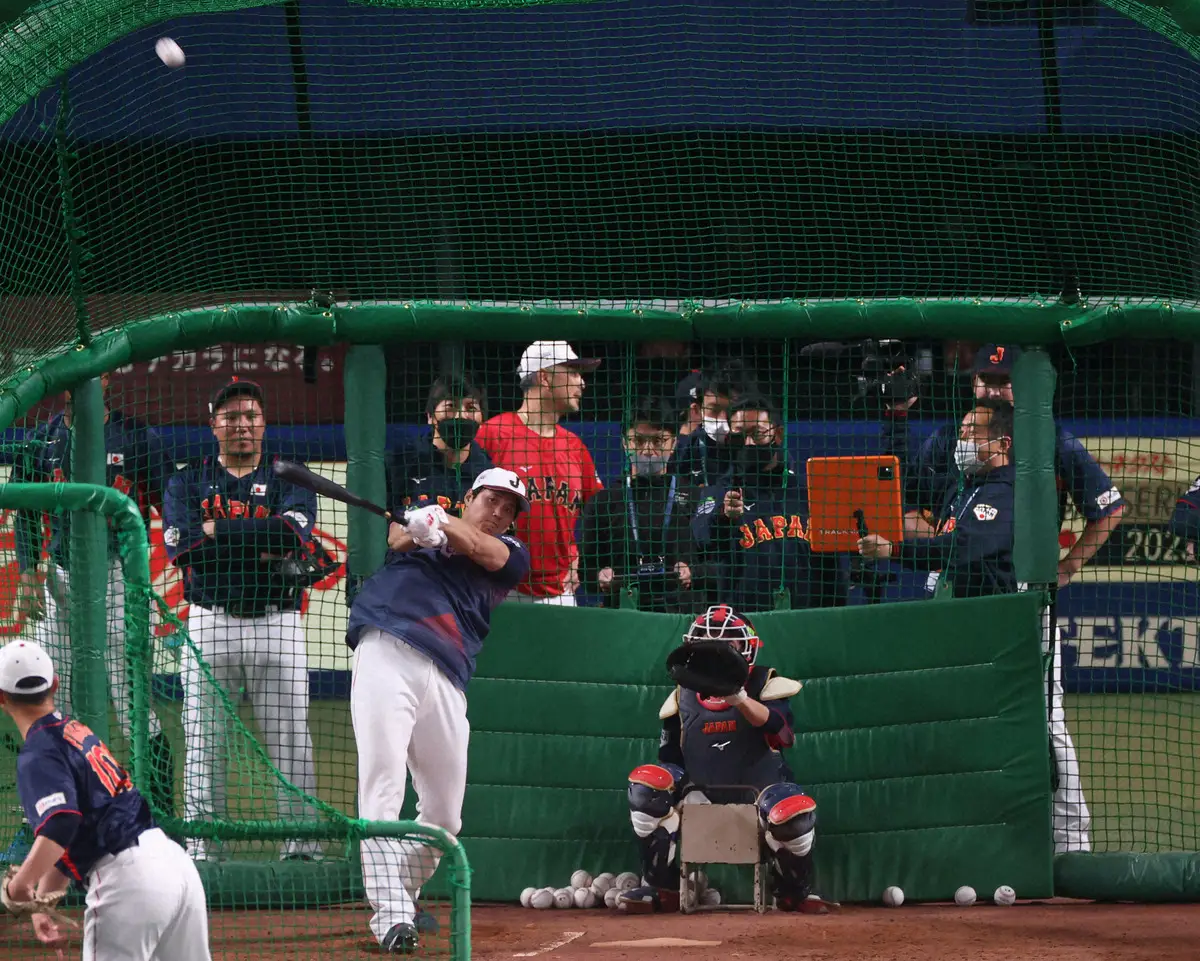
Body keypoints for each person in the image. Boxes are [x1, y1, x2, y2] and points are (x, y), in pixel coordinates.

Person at [860, 403, 1092, 852]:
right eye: (963, 430)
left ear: (1002, 444)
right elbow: (933, 527)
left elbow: (963, 548)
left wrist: (894, 551)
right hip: (977, 632)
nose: (961, 441)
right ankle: (993, 836)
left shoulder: (1009, 491)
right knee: (977, 734)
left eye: (972, 433)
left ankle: (1071, 843)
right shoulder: (965, 489)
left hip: (1018, 630)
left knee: (1047, 728)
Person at [346, 468, 531, 953]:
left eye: (509, 510)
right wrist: (421, 528)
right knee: (381, 787)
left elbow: (483, 548)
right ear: (470, 496)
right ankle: (390, 917)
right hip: (387, 644)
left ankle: (400, 891)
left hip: (448, 672)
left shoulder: (511, 554)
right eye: (492, 500)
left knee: (446, 817)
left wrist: (443, 524)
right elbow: (396, 537)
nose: (499, 513)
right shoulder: (431, 521)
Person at [7, 373, 176, 860]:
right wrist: (30, 566)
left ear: (105, 379)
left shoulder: (135, 436)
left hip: (118, 577)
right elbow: (20, 507)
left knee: (130, 699)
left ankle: (157, 815)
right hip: (60, 576)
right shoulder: (41, 441)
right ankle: (41, 823)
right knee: (41, 701)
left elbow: (171, 499)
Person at [163, 378, 323, 862]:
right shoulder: (185, 481)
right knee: (202, 739)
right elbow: (183, 546)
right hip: (210, 621)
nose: (242, 425)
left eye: (250, 416)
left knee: (292, 738)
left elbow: (293, 537)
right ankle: (202, 848)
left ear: (263, 422)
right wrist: (258, 541)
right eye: (230, 417)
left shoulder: (289, 477)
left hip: (277, 623)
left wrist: (218, 531)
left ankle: (302, 848)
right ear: (213, 425)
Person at [0, 639, 209, 960]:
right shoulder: (75, 730)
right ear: (54, 684)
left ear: (1, 698)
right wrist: (42, 902)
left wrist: (20, 887)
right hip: (175, 865)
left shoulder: (38, 752)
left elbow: (61, 823)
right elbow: (77, 824)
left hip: (129, 883)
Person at [618, 605, 830, 914]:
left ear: (745, 648)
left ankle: (793, 893)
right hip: (700, 791)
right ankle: (661, 887)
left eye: (726, 644)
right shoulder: (683, 694)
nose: (716, 650)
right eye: (706, 642)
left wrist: (739, 698)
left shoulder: (765, 683)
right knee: (648, 787)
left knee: (793, 814)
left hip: (761, 789)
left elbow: (782, 734)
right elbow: (670, 758)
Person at [883, 343, 1126, 585]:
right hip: (949, 579)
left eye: (1005, 382)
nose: (994, 392)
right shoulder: (948, 438)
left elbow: (1111, 509)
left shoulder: (1052, 441)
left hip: (1021, 583)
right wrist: (947, 541)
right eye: (987, 381)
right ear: (974, 381)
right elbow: (903, 499)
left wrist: (1070, 566)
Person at [474, 340, 602, 605]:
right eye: (573, 372)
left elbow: (598, 508)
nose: (582, 383)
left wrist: (580, 556)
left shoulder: (574, 446)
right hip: (500, 586)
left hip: (561, 591)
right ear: (544, 377)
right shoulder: (493, 434)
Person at [690, 395, 845, 612]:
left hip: (807, 621)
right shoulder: (718, 492)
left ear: (777, 434)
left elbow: (832, 568)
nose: (748, 443)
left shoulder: (807, 494)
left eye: (757, 433)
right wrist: (723, 518)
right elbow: (702, 541)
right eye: (740, 435)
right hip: (743, 626)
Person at [578, 398, 699, 613]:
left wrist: (693, 571)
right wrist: (600, 576)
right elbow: (584, 569)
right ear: (625, 443)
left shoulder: (693, 496)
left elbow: (715, 560)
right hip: (623, 614)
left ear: (674, 444)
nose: (648, 450)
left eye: (658, 440)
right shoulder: (604, 501)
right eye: (639, 441)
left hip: (681, 614)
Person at [387, 374, 493, 514]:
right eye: (451, 406)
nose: (460, 416)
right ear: (430, 416)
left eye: (471, 408)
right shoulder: (399, 463)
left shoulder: (488, 476)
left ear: (482, 419)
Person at [670, 360, 757, 487]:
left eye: (731, 410)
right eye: (715, 410)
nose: (723, 419)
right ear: (698, 410)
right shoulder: (687, 449)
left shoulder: (763, 450)